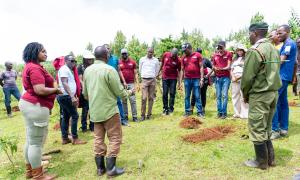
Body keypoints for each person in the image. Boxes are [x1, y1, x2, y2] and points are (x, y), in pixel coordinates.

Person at [83, 46, 135, 177]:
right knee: (115, 137)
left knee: (98, 139)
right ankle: (111, 169)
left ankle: (100, 169)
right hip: (110, 111)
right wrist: (129, 92)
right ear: (106, 56)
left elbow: (85, 94)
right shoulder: (109, 70)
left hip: (95, 112)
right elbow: (119, 92)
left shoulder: (87, 71)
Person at [241, 22, 281, 170]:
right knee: (266, 127)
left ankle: (261, 162)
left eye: (249, 34)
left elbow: (247, 78)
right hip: (273, 93)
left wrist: (245, 94)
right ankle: (271, 159)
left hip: (260, 94)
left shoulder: (255, 50)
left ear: (255, 33)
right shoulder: (273, 49)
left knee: (257, 127)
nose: (249, 37)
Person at [19, 42, 62, 179]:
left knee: (30, 141)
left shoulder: (33, 66)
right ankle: (39, 175)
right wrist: (56, 90)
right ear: (34, 52)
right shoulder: (34, 68)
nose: (46, 53)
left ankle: (30, 171)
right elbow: (40, 89)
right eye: (42, 51)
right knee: (36, 143)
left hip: (30, 104)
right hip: (35, 105)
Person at [271, 25, 297, 139]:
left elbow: (281, 61)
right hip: (285, 76)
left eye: (280, 33)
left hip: (282, 76)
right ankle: (284, 129)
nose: (278, 35)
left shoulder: (289, 44)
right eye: (277, 33)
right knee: (283, 102)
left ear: (287, 32)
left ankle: (275, 130)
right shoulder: (289, 43)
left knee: (273, 101)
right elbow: (294, 62)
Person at [57, 55, 87, 145]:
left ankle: (65, 138)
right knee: (75, 116)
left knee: (66, 116)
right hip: (66, 96)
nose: (74, 63)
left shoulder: (68, 70)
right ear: (66, 61)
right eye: (72, 61)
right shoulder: (64, 69)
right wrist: (72, 96)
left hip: (66, 96)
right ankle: (75, 138)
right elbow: (64, 83)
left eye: (75, 61)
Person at [103, 44, 128, 126]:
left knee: (119, 101)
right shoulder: (102, 59)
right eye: (106, 48)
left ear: (110, 49)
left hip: (115, 83)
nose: (107, 49)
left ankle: (123, 120)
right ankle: (108, 121)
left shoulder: (115, 58)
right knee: (107, 102)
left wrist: (123, 81)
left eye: (108, 48)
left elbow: (119, 71)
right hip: (105, 84)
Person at [178, 43, 204, 118]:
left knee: (197, 96)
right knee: (187, 96)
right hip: (187, 79)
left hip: (196, 79)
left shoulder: (198, 55)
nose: (184, 52)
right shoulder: (183, 58)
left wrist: (201, 79)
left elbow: (201, 67)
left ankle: (199, 112)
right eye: (183, 51)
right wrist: (180, 82)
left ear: (190, 48)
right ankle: (187, 112)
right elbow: (182, 70)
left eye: (185, 50)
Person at [211, 41, 232, 119]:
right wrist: (215, 68)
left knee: (224, 95)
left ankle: (224, 113)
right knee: (218, 96)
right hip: (217, 78)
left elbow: (229, 66)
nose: (220, 49)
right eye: (218, 48)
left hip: (226, 78)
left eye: (221, 47)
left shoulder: (228, 54)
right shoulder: (215, 55)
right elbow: (213, 66)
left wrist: (221, 69)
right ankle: (219, 113)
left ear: (224, 47)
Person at [118, 48, 140, 122]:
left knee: (132, 100)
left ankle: (134, 116)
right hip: (122, 84)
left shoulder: (133, 62)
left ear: (127, 54)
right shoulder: (119, 63)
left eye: (125, 53)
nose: (124, 55)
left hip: (131, 83)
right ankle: (125, 116)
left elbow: (136, 73)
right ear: (121, 54)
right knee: (123, 100)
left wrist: (137, 84)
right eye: (123, 54)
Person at [139, 47, 160, 120]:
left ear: (153, 52)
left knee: (151, 98)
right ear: (146, 52)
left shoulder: (156, 60)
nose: (150, 53)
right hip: (144, 80)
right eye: (149, 52)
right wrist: (144, 76)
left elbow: (157, 70)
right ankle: (142, 115)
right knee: (144, 98)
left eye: (151, 52)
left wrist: (153, 76)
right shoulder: (142, 59)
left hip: (152, 80)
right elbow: (140, 69)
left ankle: (149, 114)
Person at [190, 48, 212, 115]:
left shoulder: (205, 60)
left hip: (204, 79)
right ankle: (191, 109)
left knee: (203, 94)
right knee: (194, 94)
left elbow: (212, 67)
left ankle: (203, 109)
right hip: (195, 79)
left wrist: (208, 75)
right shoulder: (193, 59)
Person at [159, 48, 181, 115]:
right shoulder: (166, 54)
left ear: (176, 55)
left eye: (174, 56)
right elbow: (162, 64)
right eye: (172, 55)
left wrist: (179, 82)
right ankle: (165, 109)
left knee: (172, 93)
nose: (172, 56)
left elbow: (179, 71)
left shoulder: (178, 60)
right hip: (165, 77)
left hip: (173, 78)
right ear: (170, 52)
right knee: (165, 93)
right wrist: (158, 72)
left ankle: (171, 108)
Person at [78, 51, 95, 132]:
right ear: (85, 59)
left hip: (93, 90)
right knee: (85, 109)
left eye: (91, 59)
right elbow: (81, 80)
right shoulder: (80, 67)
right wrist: (85, 90)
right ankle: (84, 126)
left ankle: (92, 126)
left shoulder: (93, 67)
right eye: (89, 59)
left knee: (93, 109)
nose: (90, 61)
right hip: (85, 91)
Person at [231, 44, 249, 119]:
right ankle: (237, 113)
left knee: (243, 95)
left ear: (244, 51)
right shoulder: (234, 59)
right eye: (238, 50)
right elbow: (231, 69)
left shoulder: (247, 59)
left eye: (241, 50)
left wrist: (238, 78)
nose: (239, 52)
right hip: (234, 78)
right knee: (235, 96)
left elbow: (247, 70)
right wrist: (233, 77)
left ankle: (244, 114)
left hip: (243, 78)